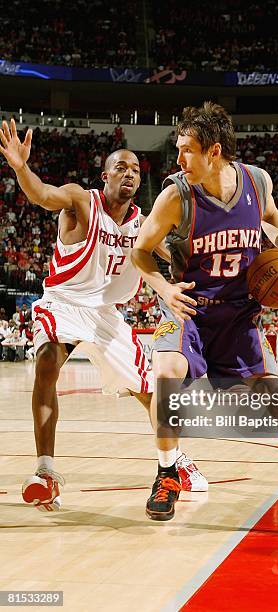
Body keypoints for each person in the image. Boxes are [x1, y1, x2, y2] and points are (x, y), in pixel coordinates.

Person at [132, 102, 278, 530]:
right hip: (189, 309)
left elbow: (273, 217)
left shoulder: (257, 182)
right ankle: (166, 476)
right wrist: (163, 287)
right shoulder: (176, 195)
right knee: (166, 372)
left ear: (213, 151)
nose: (178, 159)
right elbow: (140, 250)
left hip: (239, 318)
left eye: (186, 150)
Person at [0, 118, 207, 512]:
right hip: (64, 301)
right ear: (105, 175)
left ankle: (175, 460)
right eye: (121, 168)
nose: (129, 174)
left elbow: (179, 258)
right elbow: (42, 194)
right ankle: (45, 470)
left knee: (149, 391)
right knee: (47, 361)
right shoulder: (81, 200)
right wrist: (21, 168)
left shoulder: (143, 224)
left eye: (135, 170)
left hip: (107, 315)